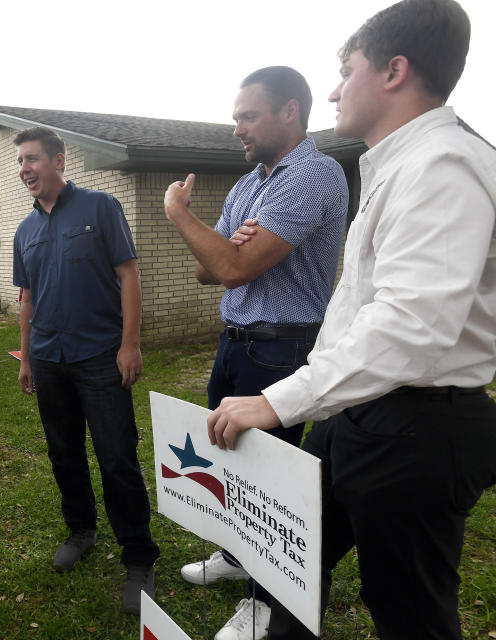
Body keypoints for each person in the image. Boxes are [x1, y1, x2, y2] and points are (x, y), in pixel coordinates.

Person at [204, 1, 496, 638]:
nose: (334, 90)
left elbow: (411, 326)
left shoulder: (440, 166)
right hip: (360, 411)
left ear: (394, 71)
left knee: (409, 612)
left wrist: (278, 402)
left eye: (346, 69)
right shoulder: (398, 166)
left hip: (416, 426)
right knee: (292, 562)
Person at [162, 66, 349, 640]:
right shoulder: (249, 185)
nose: (237, 129)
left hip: (283, 351)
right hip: (235, 346)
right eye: (235, 118)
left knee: (270, 487)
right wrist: (226, 248)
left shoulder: (315, 174)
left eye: (248, 116)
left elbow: (231, 265)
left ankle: (264, 605)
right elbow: (205, 268)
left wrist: (180, 215)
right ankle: (238, 559)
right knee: (229, 465)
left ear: (289, 111)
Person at [12, 127, 158, 615]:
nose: (24, 169)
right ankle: (81, 529)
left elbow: (129, 274)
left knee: (116, 456)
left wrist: (130, 343)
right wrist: (27, 356)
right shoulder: (24, 230)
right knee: (63, 451)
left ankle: (138, 556)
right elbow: (27, 298)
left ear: (58, 159)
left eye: (32, 159)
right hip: (50, 360)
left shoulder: (100, 207)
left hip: (100, 356)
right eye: (20, 162)